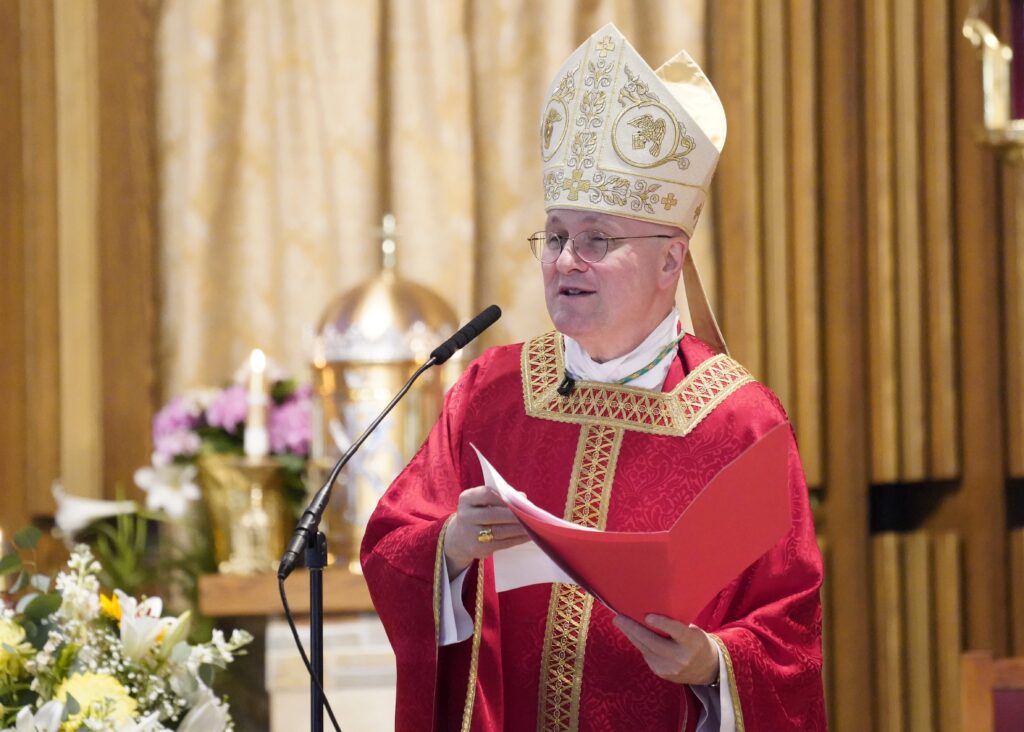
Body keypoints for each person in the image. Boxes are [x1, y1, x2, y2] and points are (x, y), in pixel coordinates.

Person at [361, 23, 826, 731]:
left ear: (671, 260)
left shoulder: (740, 422)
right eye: (554, 236)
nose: (565, 260)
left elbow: (790, 637)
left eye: (596, 239)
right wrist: (451, 547)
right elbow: (393, 542)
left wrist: (710, 664)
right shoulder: (493, 392)